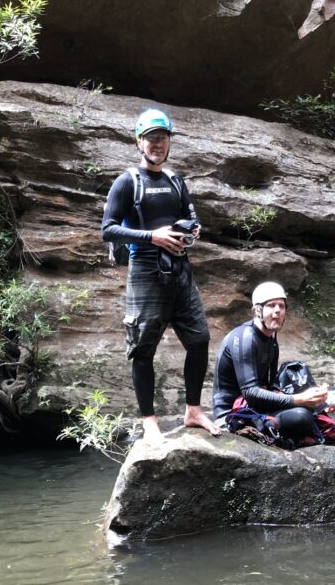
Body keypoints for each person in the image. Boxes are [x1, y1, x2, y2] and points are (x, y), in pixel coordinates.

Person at [101, 108, 220, 442]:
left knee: (199, 340)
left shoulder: (175, 180)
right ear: (139, 141)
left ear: (169, 143)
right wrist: (152, 236)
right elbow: (107, 230)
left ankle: (193, 411)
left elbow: (192, 217)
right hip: (145, 269)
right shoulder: (127, 182)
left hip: (180, 267)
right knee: (142, 349)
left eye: (162, 138)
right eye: (151, 138)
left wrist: (191, 232)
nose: (157, 144)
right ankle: (149, 421)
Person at [213, 281, 335, 449]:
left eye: (281, 306)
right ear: (258, 310)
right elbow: (251, 393)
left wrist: (320, 403)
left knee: (295, 369)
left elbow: (269, 388)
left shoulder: (272, 342)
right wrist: (299, 400)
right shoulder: (245, 338)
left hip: (255, 407)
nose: (277, 311)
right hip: (234, 415)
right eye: (271, 306)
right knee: (302, 416)